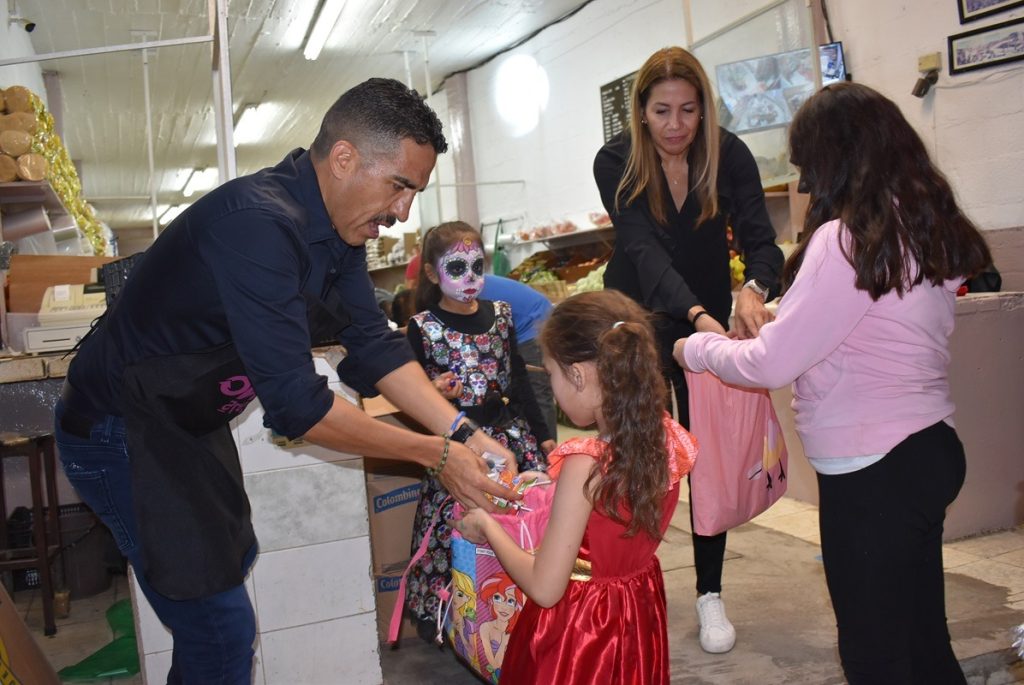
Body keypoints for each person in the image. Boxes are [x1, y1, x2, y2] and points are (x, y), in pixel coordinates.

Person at [52, 78, 515, 685]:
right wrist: (437, 454)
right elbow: (300, 406)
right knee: (217, 628)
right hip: (121, 429)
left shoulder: (342, 232)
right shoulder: (257, 224)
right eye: (399, 186)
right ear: (344, 158)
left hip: (184, 420)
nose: (403, 211)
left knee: (223, 593)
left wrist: (464, 432)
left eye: (414, 193)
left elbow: (374, 346)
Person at [675, 82, 992, 684]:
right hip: (929, 450)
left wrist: (696, 349)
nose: (805, 186)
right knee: (925, 645)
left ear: (837, 159)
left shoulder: (843, 241)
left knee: (876, 659)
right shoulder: (919, 228)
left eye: (807, 168)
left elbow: (771, 365)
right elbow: (866, 322)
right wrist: (779, 317)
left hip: (874, 472)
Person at [593, 46, 783, 653]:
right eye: (662, 112)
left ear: (704, 109)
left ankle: (709, 593)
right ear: (641, 112)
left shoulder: (729, 154)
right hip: (636, 317)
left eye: (688, 111)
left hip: (704, 324)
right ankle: (623, 585)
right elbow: (643, 253)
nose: (676, 126)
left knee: (708, 458)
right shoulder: (616, 161)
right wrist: (700, 315)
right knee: (637, 455)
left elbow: (762, 241)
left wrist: (754, 288)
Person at [455, 289, 699, 685]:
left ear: (578, 375)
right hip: (635, 613)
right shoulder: (665, 435)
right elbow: (613, 511)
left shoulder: (585, 463)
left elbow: (545, 588)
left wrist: (486, 525)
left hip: (580, 632)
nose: (551, 387)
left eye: (550, 373)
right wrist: (551, 484)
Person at [404, 221, 554, 635]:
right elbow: (413, 394)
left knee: (524, 522)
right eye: (457, 268)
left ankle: (523, 610)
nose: (469, 277)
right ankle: (457, 617)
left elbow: (519, 381)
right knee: (457, 526)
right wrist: (435, 389)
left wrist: (543, 435)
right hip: (459, 451)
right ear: (432, 273)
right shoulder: (422, 327)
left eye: (477, 266)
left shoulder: (501, 315)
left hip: (513, 444)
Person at [480, 273, 557, 438]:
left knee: (537, 393)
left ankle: (549, 449)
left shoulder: (468, 288)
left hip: (534, 323)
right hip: (527, 320)